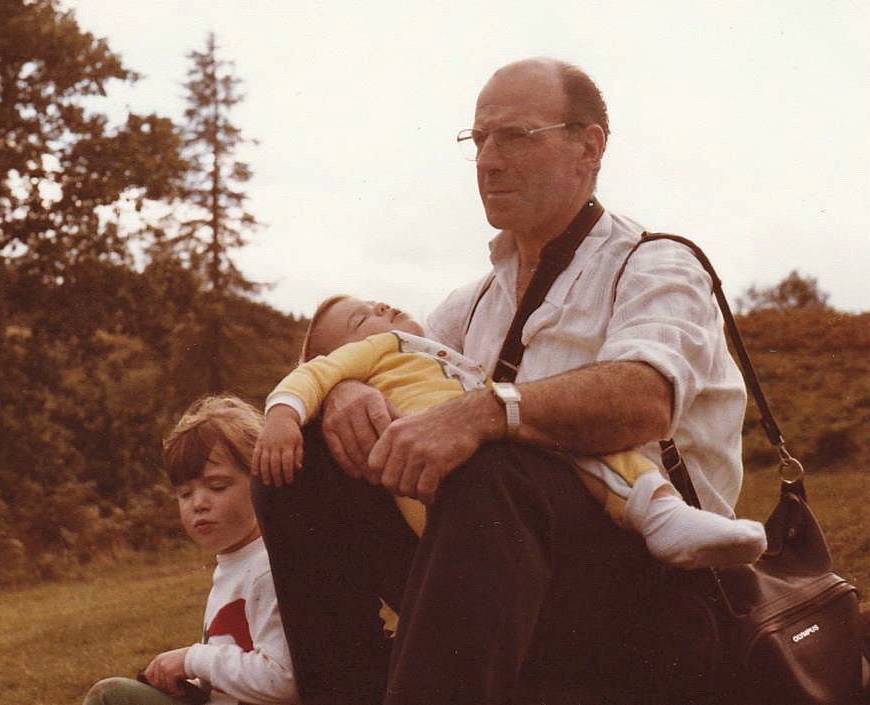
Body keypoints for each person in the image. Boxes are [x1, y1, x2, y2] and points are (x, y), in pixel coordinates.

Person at [252, 57, 749, 705]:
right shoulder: (474, 305)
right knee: (299, 463)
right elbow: (392, 358)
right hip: (514, 581)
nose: (487, 160)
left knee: (496, 462)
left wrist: (489, 412)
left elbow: (646, 397)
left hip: (654, 595)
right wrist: (347, 392)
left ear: (589, 146)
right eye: (478, 140)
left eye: (514, 136)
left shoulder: (656, 266)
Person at [252, 294, 765, 568]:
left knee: (578, 446)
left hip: (506, 475)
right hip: (447, 486)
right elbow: (311, 375)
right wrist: (287, 413)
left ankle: (666, 515)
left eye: (377, 300)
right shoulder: (382, 354)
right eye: (361, 318)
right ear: (344, 353)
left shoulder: (438, 347)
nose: (381, 309)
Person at [83, 395, 298, 705]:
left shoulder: (268, 569)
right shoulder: (232, 566)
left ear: (262, 482)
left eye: (218, 486)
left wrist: (191, 659)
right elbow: (234, 661)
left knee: (111, 698)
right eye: (185, 493)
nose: (199, 503)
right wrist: (195, 682)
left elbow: (282, 680)